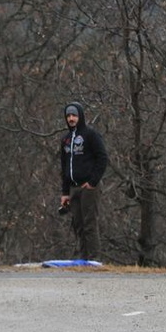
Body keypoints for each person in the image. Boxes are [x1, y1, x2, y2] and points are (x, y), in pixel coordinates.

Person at [60, 102, 108, 261]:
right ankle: (83, 259)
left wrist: (93, 181)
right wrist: (65, 192)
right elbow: (64, 166)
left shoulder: (90, 135)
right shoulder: (66, 140)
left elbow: (102, 158)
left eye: (74, 115)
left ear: (80, 116)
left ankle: (94, 260)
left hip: (88, 187)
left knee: (90, 225)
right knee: (78, 225)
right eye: (68, 116)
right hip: (73, 188)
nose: (71, 118)